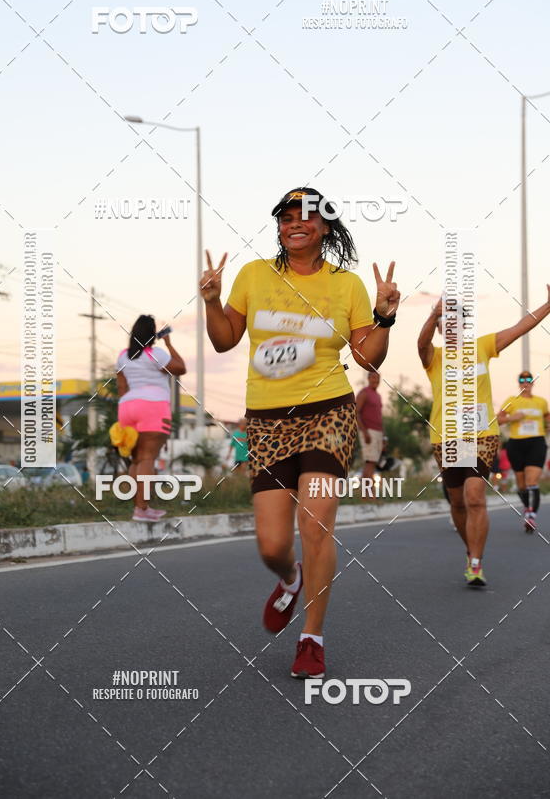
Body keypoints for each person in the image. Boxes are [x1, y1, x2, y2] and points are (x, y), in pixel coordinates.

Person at [200, 187, 400, 678]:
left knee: (316, 522)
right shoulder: (254, 275)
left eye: (306, 217)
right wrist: (210, 301)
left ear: (325, 228)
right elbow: (225, 341)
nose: (295, 223)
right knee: (271, 545)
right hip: (267, 422)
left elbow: (366, 357)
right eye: (287, 216)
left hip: (328, 414)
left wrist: (384, 317)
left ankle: (312, 636)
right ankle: (290, 579)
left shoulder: (346, 284)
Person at [418, 288, 550, 586]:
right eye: (445, 322)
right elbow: (421, 342)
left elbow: (520, 327)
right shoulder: (434, 358)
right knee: (457, 503)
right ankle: (470, 549)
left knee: (474, 497)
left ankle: (476, 562)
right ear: (440, 328)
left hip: (482, 435)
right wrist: (433, 313)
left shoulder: (482, 346)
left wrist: (548, 306)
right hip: (446, 438)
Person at [116, 315, 186, 522]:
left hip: (127, 406)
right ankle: (142, 509)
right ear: (152, 334)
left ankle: (139, 507)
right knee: (148, 458)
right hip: (153, 406)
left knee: (136, 459)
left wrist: (128, 407)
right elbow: (180, 368)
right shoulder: (156, 354)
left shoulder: (122, 356)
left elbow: (121, 387)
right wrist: (168, 343)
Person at [498, 372, 549, 532]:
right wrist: (512, 418)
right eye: (522, 380)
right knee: (521, 485)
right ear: (518, 383)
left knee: (532, 481)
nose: (525, 382)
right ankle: (528, 508)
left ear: (533, 383)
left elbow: (547, 417)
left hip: (536, 442)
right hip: (516, 444)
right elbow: (498, 420)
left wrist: (548, 425)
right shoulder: (512, 401)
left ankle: (531, 516)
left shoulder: (541, 402)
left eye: (528, 380)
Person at [356, 371, 384, 491]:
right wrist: (364, 432)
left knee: (372, 463)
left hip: (378, 432)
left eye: (377, 378)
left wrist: (384, 437)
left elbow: (380, 416)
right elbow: (356, 412)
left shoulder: (378, 396)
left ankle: (367, 494)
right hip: (368, 431)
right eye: (373, 378)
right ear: (368, 379)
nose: (375, 381)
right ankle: (368, 494)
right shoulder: (364, 393)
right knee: (370, 462)